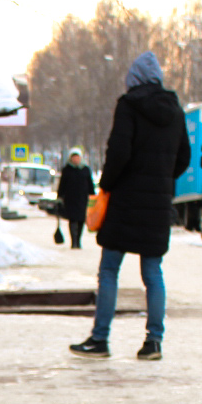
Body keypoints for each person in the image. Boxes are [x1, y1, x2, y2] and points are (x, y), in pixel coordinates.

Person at [70, 51, 190, 362]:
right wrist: (162, 179)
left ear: (133, 78)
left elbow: (118, 151)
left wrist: (107, 184)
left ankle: (100, 339)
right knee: (152, 271)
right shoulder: (175, 111)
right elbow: (184, 157)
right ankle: (153, 342)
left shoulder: (129, 105)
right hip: (157, 204)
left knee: (109, 269)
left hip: (124, 202)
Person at [56, 148, 93, 249]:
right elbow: (62, 184)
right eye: (74, 157)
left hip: (82, 198)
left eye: (77, 157)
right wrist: (59, 196)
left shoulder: (85, 169)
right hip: (70, 199)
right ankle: (73, 241)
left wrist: (93, 195)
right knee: (72, 219)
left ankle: (78, 240)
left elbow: (90, 183)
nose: (76, 159)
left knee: (81, 220)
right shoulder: (67, 170)